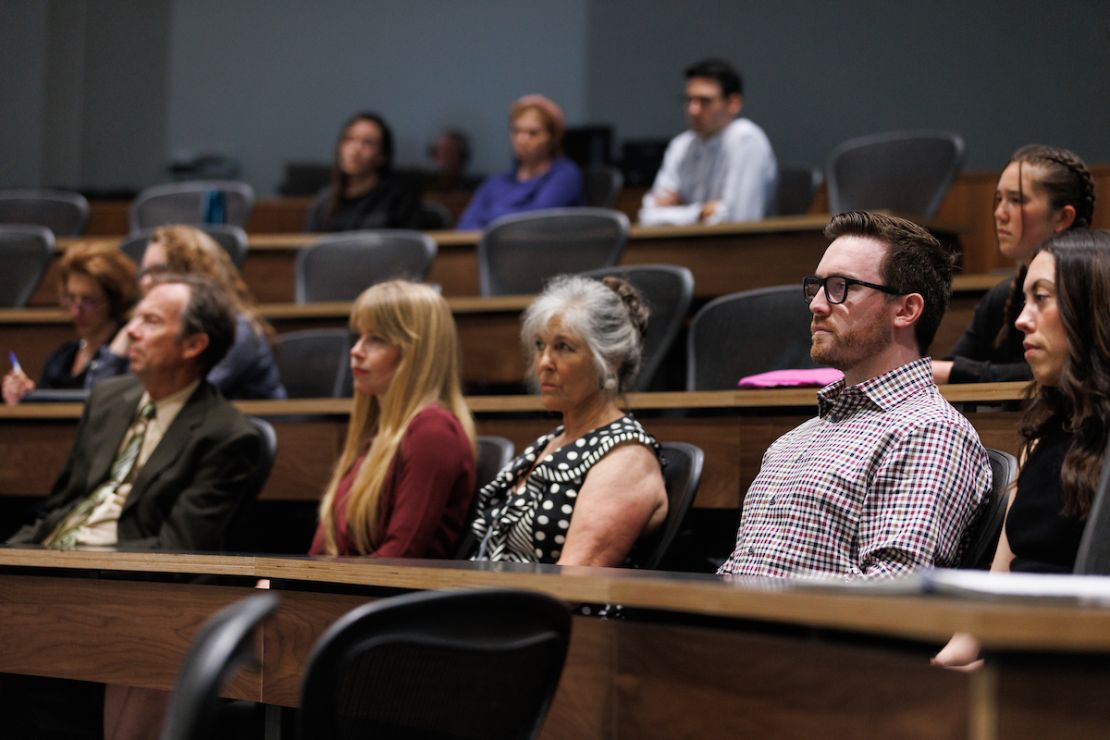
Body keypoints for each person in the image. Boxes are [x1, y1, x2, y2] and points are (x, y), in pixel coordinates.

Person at [717, 211, 991, 579]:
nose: (816, 305)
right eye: (816, 287)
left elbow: (894, 595)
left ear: (906, 309)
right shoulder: (791, 441)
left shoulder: (929, 432)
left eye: (840, 286)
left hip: (807, 636)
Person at [935, 229, 1110, 669]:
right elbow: (998, 590)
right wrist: (945, 665)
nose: (1020, 320)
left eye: (1042, 298)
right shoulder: (1041, 435)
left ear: (1091, 307)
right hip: (1014, 667)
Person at [7, 274, 269, 551]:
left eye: (151, 321)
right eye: (136, 317)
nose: (131, 331)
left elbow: (179, 550)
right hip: (50, 555)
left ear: (193, 345)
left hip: (115, 576)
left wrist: (84, 562)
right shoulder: (107, 399)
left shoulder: (226, 436)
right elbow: (60, 507)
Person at [469, 275, 667, 566]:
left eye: (563, 347)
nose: (544, 362)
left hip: (557, 610)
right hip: (495, 602)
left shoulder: (626, 459)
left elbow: (573, 585)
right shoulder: (549, 443)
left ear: (610, 360)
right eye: (540, 345)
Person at [311, 280, 477, 558]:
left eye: (376, 339)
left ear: (416, 353)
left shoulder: (433, 432)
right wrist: (282, 584)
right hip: (343, 593)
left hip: (384, 598)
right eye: (358, 337)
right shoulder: (372, 434)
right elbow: (323, 547)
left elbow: (399, 557)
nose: (356, 351)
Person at [932, 145, 1094, 384]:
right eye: (999, 199)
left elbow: (1076, 370)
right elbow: (948, 365)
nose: (1000, 213)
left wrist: (955, 372)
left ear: (1063, 217)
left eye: (1016, 200)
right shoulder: (1002, 296)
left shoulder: (1092, 286)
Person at [100, 225, 286, 399]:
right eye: (144, 273)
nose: (145, 282)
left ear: (192, 274)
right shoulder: (142, 329)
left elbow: (179, 398)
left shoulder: (238, 331)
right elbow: (104, 401)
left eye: (158, 271)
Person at [639, 58, 777, 227]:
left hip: (743, 251)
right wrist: (699, 212)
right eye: (689, 100)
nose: (693, 110)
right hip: (689, 248)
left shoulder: (746, 140)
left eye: (705, 101)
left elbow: (739, 221)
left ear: (733, 104)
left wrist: (679, 210)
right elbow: (647, 215)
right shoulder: (681, 145)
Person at [2, 243, 137, 405]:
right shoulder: (62, 358)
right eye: (71, 299)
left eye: (88, 301)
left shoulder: (127, 357)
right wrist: (24, 395)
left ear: (114, 301)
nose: (76, 312)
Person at [456, 94, 583, 230]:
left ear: (552, 138)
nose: (522, 140)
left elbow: (534, 222)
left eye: (533, 133)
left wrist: (489, 216)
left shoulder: (564, 174)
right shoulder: (495, 183)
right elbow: (465, 225)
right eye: (516, 131)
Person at [307, 111, 421, 231]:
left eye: (367, 142)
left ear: (382, 156)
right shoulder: (324, 201)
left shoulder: (399, 197)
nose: (356, 149)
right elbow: (310, 247)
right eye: (349, 139)